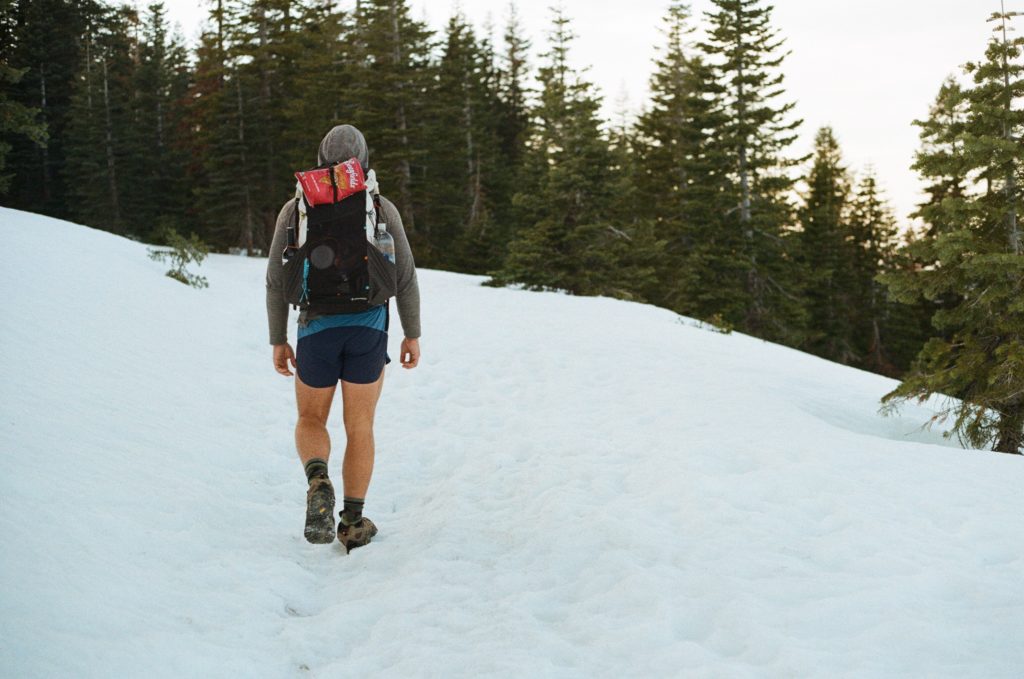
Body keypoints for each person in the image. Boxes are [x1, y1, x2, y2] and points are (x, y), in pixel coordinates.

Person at [265, 124, 421, 551]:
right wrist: (412, 334)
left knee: (310, 419)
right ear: (364, 160)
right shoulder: (380, 206)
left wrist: (278, 338)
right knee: (360, 426)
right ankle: (352, 522)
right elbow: (404, 276)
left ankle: (318, 478)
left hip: (316, 327)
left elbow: (276, 281)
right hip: (368, 327)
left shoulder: (295, 208)